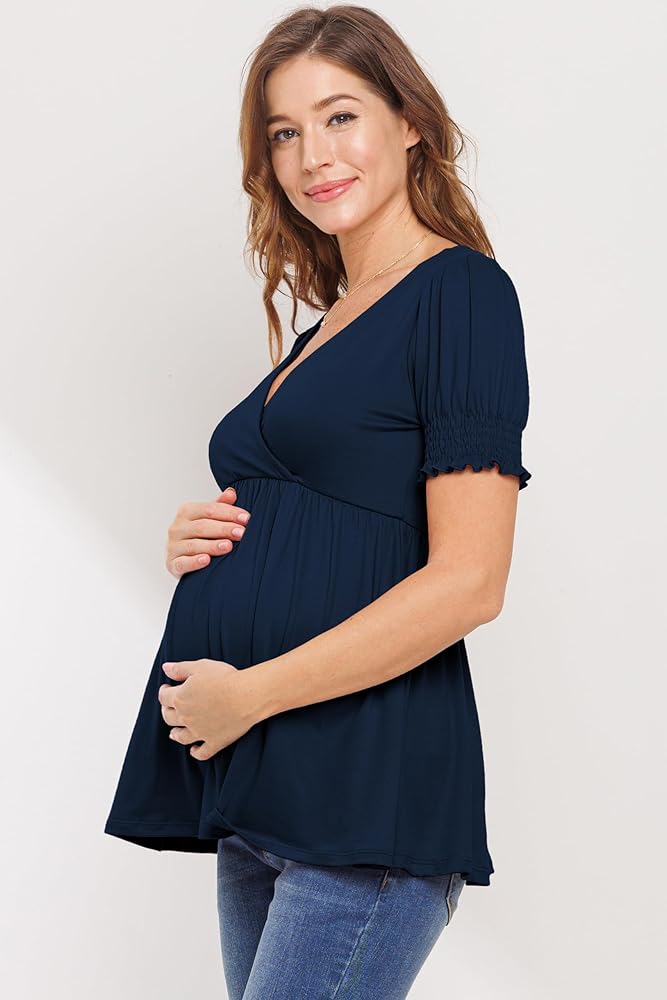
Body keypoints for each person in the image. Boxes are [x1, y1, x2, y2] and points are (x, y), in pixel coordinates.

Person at [104, 6, 532, 997]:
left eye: (340, 117)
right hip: (266, 786)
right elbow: (336, 500)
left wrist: (249, 693)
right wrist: (208, 535)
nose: (313, 156)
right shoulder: (332, 319)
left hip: (361, 794)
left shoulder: (460, 294)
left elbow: (470, 581)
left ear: (409, 121)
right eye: (285, 132)